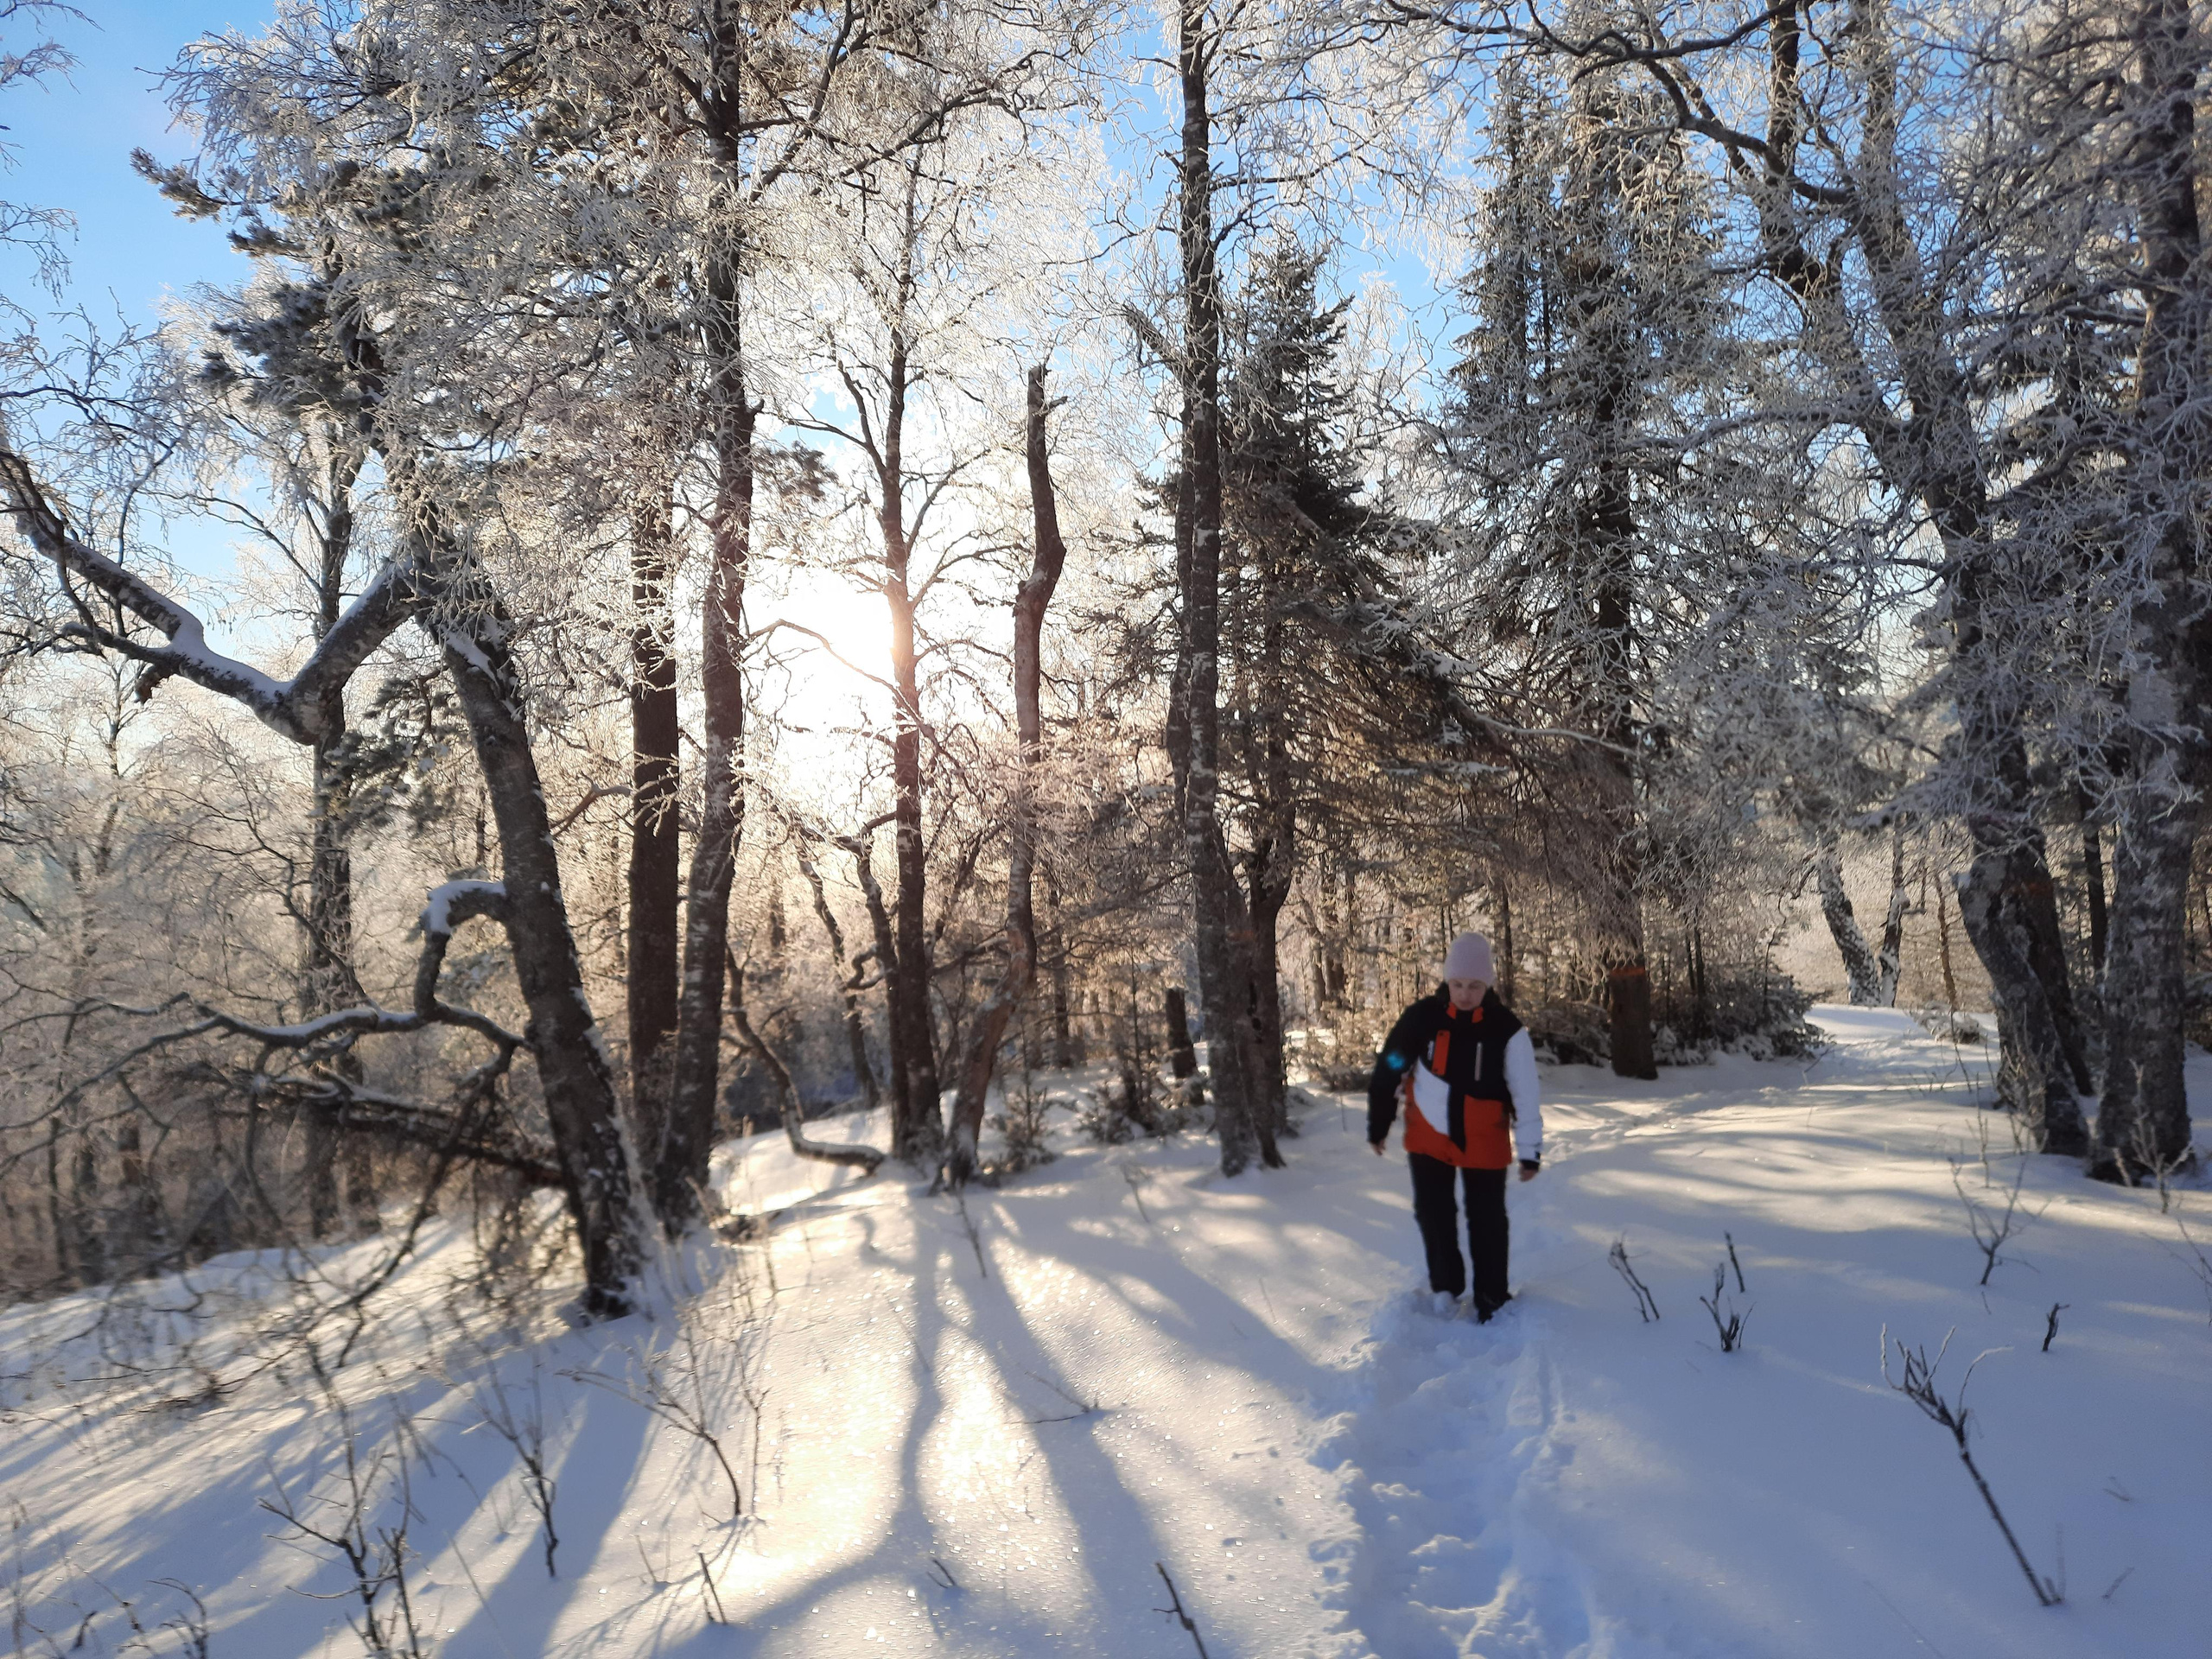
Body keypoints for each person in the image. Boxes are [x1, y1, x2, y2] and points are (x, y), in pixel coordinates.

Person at [1367, 932, 1541, 1321]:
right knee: (1434, 1214)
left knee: (1488, 1220)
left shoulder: (1507, 1030)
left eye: (1474, 985)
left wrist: (1530, 1149)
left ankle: (1492, 1297)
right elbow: (1390, 1067)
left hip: (1485, 1140)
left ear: (1488, 985)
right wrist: (1380, 1123)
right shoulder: (1421, 1018)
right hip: (1428, 1137)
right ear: (1447, 982)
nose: (1464, 994)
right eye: (1458, 984)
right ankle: (1446, 1288)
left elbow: (1526, 1093)